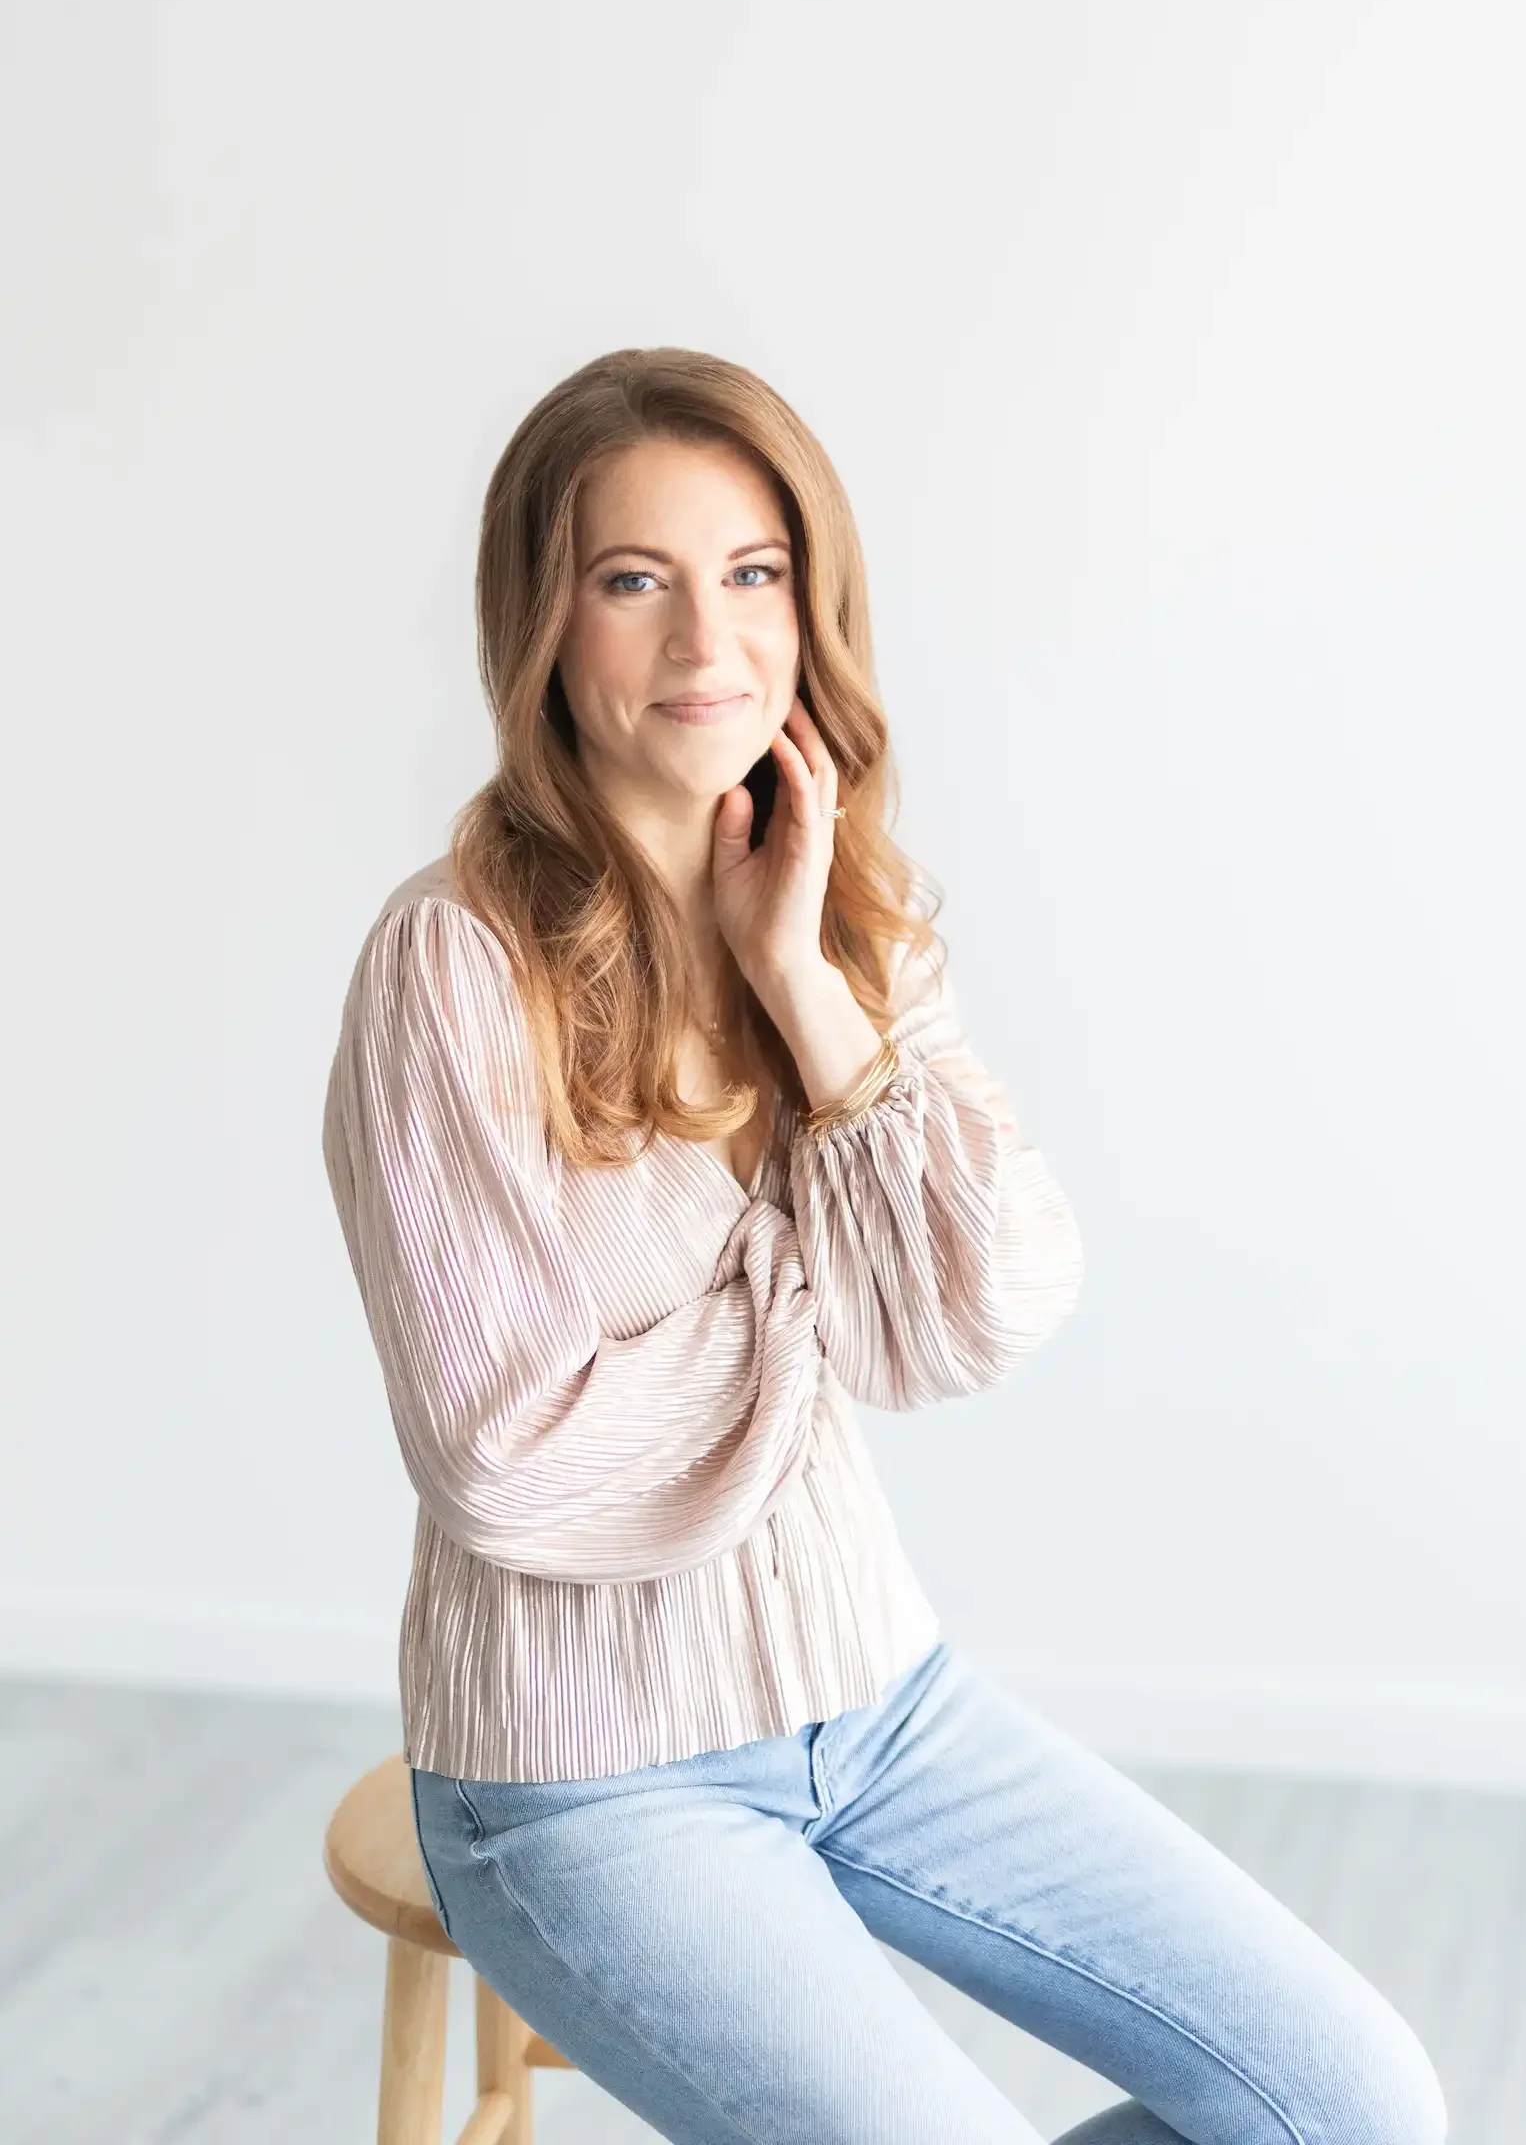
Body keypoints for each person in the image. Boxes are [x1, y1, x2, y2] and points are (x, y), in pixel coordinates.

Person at [321, 347, 1448, 2145]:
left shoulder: (840, 905)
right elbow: (510, 1459)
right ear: (542, 623)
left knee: (1351, 2101)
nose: (709, 640)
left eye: (752, 574)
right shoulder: (453, 967)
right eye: (636, 580)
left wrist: (801, 992)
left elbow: (978, 1311)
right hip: (580, 1782)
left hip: (885, 1700)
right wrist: (807, 1275)